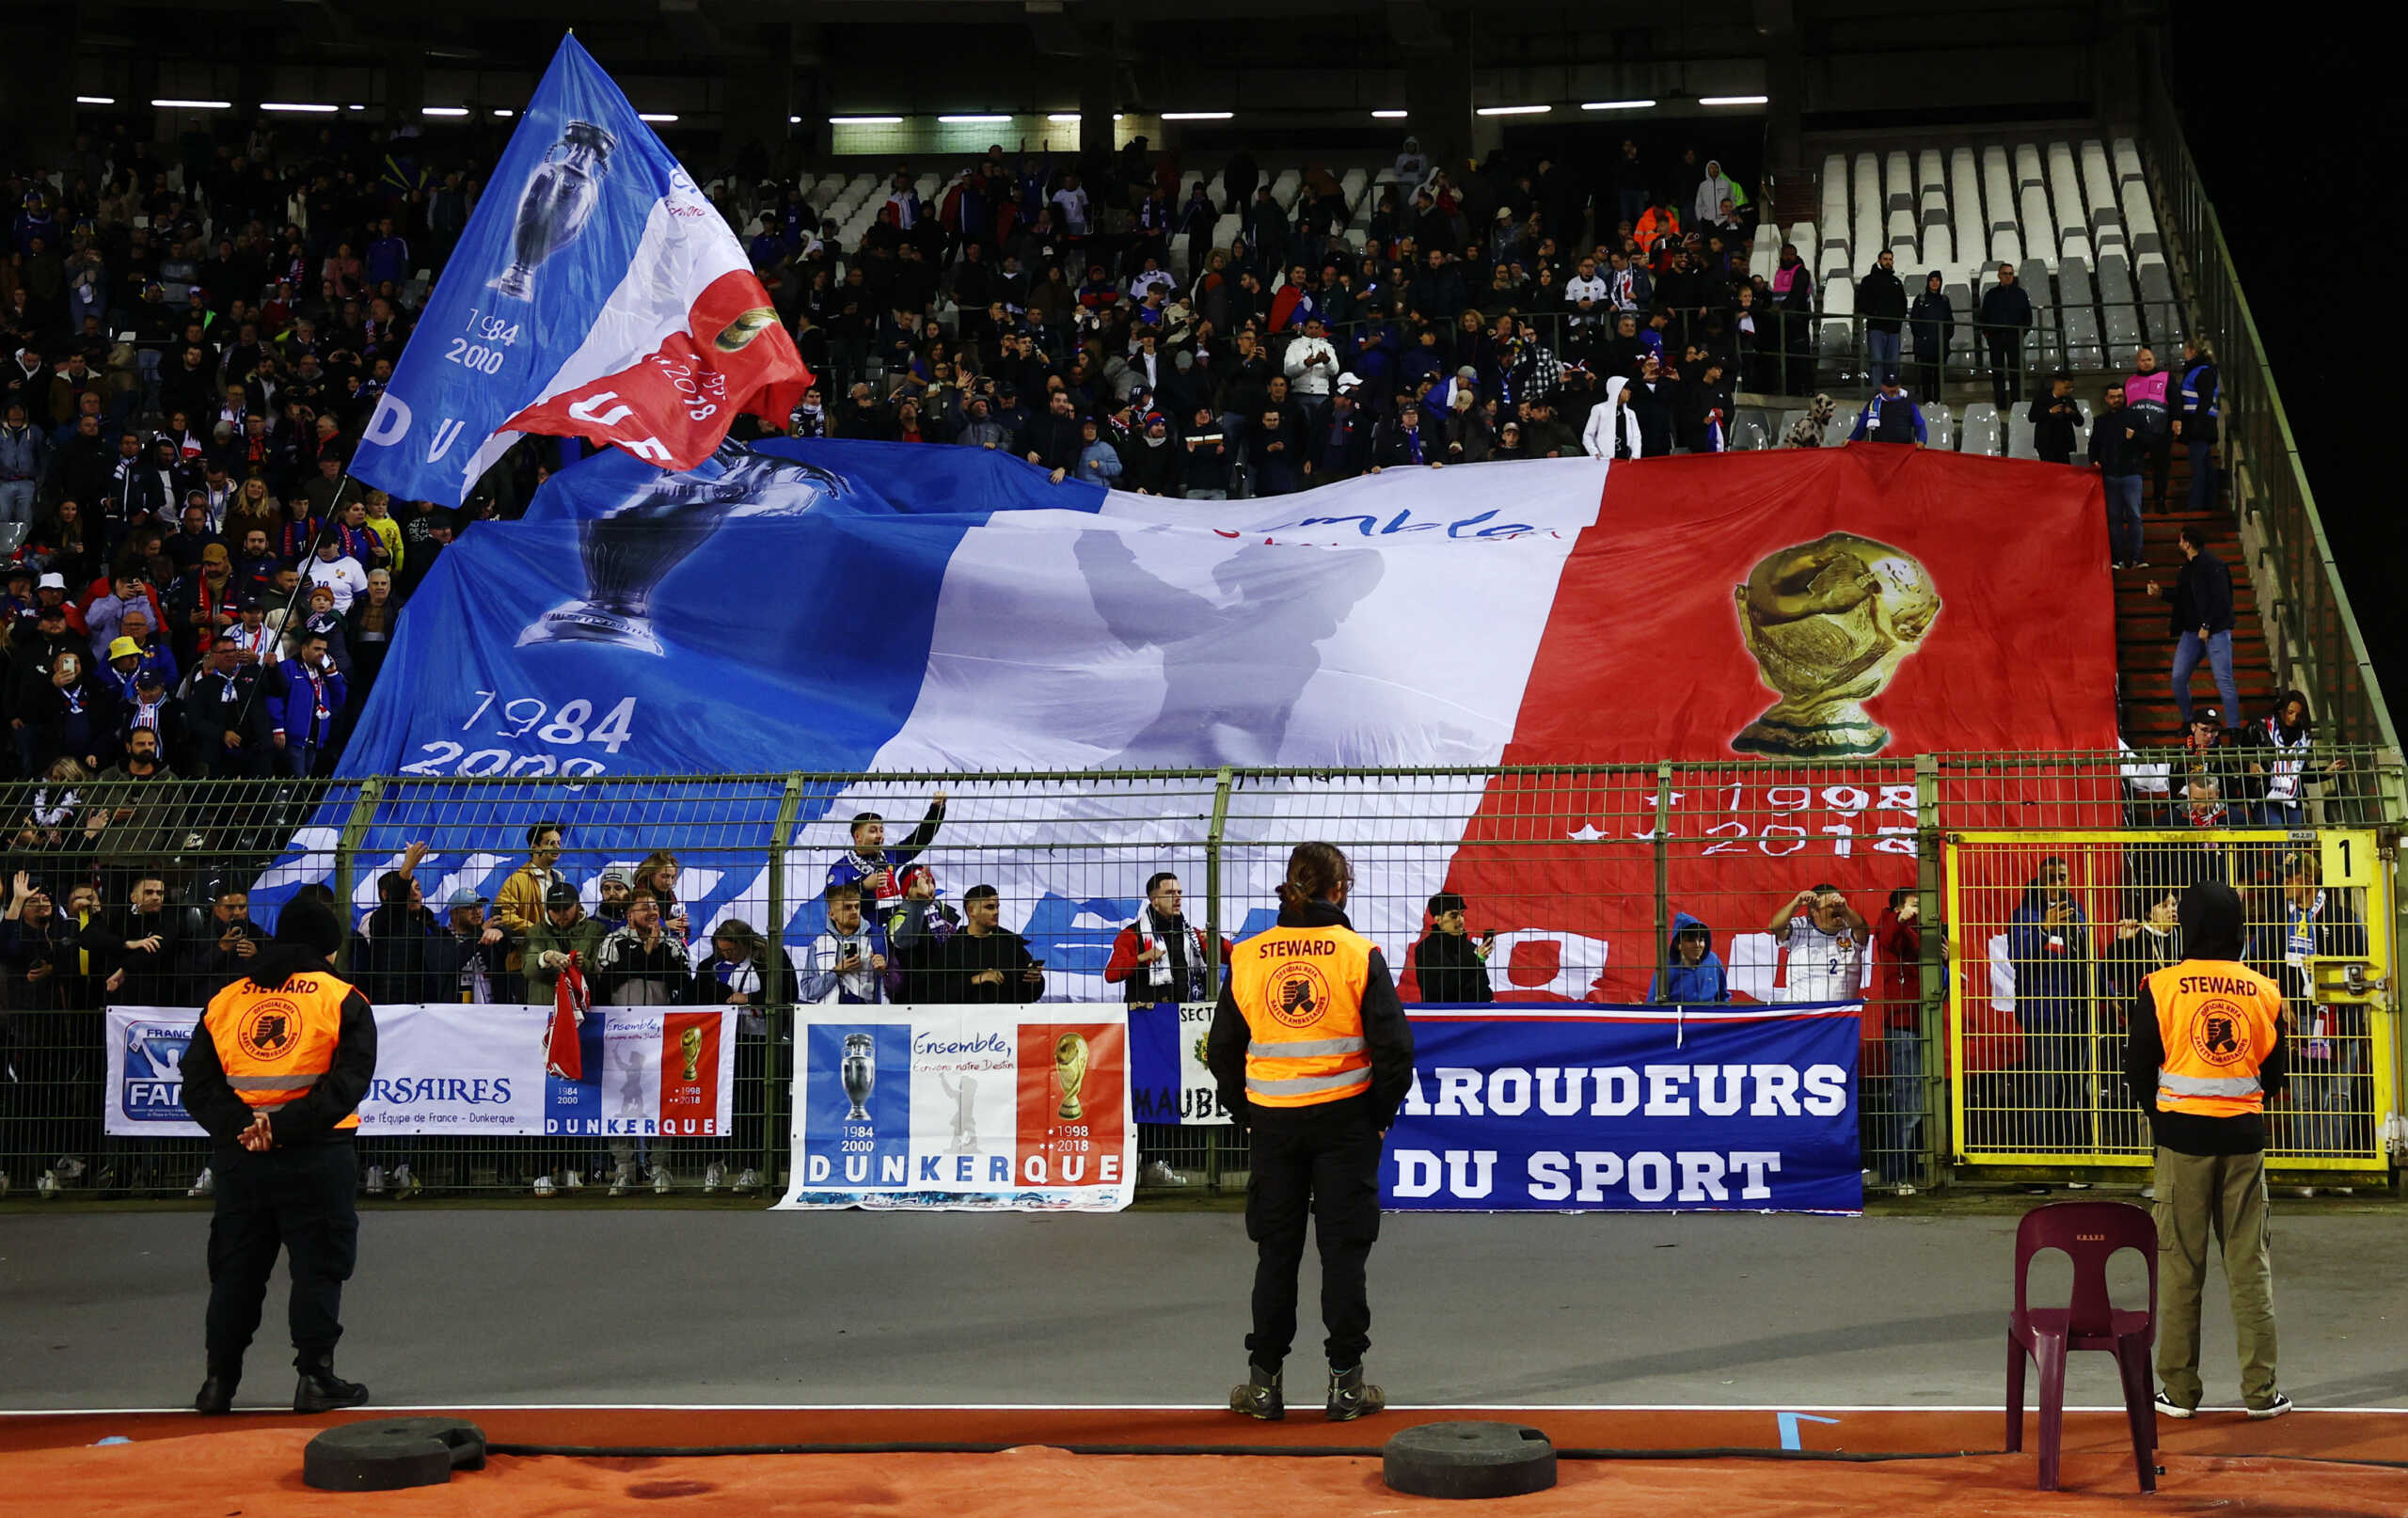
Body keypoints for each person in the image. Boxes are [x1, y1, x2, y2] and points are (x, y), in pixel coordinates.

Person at [1208, 841, 1413, 1423]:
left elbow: (1222, 1049)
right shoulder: (1357, 953)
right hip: (1345, 1123)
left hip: (1273, 1124)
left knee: (1276, 1253)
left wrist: (1249, 1111)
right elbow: (1396, 1050)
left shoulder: (1248, 956)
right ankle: (1346, 1387)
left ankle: (1263, 1387)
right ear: (1339, 888)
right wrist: (1378, 1117)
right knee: (1343, 1254)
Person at [178, 896, 376, 1416]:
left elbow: (197, 1085)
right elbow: (346, 1086)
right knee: (319, 1267)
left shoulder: (228, 998)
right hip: (317, 1153)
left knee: (236, 1270)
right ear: (330, 945)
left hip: (240, 1157)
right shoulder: (342, 998)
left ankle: (218, 1382)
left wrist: (245, 1127)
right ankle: (314, 1378)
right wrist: (282, 1128)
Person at [2124, 879, 2290, 1421]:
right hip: (2244, 1142)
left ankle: (2179, 1391)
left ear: (2188, 926)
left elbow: (2138, 1069)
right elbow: (2276, 1073)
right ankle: (2261, 1394)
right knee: (2250, 1267)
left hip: (2180, 1142)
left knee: (2179, 1266)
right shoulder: (2265, 989)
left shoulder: (2163, 986)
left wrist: (2165, 1118)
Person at [2007, 856, 2091, 1158]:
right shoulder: (2024, 914)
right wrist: (2044, 927)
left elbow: (2086, 959)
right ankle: (2038, 1162)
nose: (2057, 884)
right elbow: (2017, 955)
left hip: (2078, 1011)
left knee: (2074, 1088)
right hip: (2042, 1013)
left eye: (2062, 877)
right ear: (2040, 881)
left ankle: (2073, 1158)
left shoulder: (2076, 911)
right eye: (2051, 877)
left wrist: (2107, 996)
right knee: (2043, 1088)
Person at [2146, 526, 2240, 732]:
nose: (2179, 544)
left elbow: (2223, 600)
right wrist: (2161, 593)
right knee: (2178, 678)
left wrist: (2207, 625)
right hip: (2191, 633)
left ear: (2187, 543)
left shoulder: (2213, 565)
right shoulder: (2186, 569)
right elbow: (2182, 598)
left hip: (2215, 631)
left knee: (2224, 681)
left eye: (2180, 540)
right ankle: (2189, 721)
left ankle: (2234, 731)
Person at [1868, 890, 1924, 1192]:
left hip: (1922, 1021)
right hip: (1902, 1024)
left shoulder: (1919, 931)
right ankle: (1895, 1173)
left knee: (1917, 1102)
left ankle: (1908, 1167)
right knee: (1905, 1101)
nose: (1919, 910)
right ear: (1898, 906)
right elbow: (1887, 937)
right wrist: (1901, 919)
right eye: (1914, 904)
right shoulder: (1891, 924)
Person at [1105, 871, 1224, 1005]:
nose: (1178, 897)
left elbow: (1229, 957)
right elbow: (1111, 975)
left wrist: (1217, 942)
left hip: (1189, 1017)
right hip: (1148, 1016)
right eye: (1170, 893)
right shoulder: (1132, 935)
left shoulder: (1192, 935)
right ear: (1155, 901)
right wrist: (1141, 958)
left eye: (1179, 892)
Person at [828, 792, 946, 918]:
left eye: (881, 830)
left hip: (894, 926)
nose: (880, 835)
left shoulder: (890, 855)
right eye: (873, 831)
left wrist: (936, 809)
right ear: (857, 836)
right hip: (863, 930)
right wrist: (863, 886)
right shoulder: (842, 867)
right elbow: (832, 897)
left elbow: (919, 840)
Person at [2241, 690, 2349, 828]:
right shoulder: (2259, 728)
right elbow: (2237, 755)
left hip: (2293, 799)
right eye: (2290, 712)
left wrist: (2325, 772)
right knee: (2279, 841)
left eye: (2298, 714)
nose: (2293, 718)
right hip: (2265, 795)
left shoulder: (2304, 738)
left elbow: (2302, 774)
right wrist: (2250, 764)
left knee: (2294, 842)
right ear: (2281, 710)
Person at [932, 883, 1044, 1004]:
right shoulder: (952, 947)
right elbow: (937, 993)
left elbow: (1029, 996)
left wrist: (1035, 981)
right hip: (965, 1019)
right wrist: (976, 979)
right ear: (971, 911)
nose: (996, 912)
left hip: (1007, 1018)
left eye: (997, 907)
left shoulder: (1011, 944)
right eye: (990, 907)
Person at [800, 881, 895, 1004]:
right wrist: (836, 972)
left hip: (869, 1017)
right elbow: (808, 991)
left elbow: (898, 985)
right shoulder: (819, 944)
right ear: (832, 915)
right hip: (829, 1019)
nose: (854, 911)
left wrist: (885, 971)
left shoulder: (879, 938)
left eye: (857, 906)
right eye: (847, 907)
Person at [1769, 884, 1865, 1003]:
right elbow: (1775, 926)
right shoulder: (1800, 927)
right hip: (1800, 1013)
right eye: (1831, 906)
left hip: (1840, 1016)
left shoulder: (1850, 930)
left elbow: (1862, 928)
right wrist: (1796, 903)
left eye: (1840, 905)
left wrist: (1845, 909)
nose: (1837, 909)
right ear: (1814, 911)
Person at [269, 631, 345, 778]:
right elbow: (275, 697)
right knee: (295, 784)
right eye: (317, 649)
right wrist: (278, 728)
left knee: (305, 784)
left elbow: (339, 700)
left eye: (324, 650)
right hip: (293, 739)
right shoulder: (287, 668)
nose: (322, 653)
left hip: (316, 738)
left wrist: (333, 675)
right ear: (304, 648)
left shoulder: (324, 672)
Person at [2093, 383, 2145, 569]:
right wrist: (2095, 460)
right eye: (2113, 397)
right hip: (2111, 475)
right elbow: (2094, 444)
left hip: (2132, 473)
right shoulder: (2100, 421)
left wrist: (2136, 436)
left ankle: (2137, 558)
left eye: (2120, 396)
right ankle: (2117, 559)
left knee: (2134, 517)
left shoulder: (2135, 417)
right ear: (2106, 399)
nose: (2117, 400)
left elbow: (2150, 441)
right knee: (2114, 519)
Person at [1411, 892, 1495, 1004]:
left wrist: (1489, 1003)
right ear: (1438, 919)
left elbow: (1483, 987)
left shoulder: (1472, 949)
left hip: (1474, 1017)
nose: (1460, 920)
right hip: (1443, 1017)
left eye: (1462, 914)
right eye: (1454, 915)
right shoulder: (1426, 949)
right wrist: (1475, 960)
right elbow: (1440, 991)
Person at [2124, 345, 2174, 510]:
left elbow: (2176, 400)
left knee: (2161, 469)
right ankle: (2134, 503)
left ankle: (2160, 500)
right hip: (2137, 434)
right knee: (2133, 468)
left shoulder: (2166, 377)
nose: (2145, 363)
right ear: (2137, 362)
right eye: (2142, 360)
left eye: (2149, 360)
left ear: (2154, 360)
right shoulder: (2130, 382)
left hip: (2160, 433)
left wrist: (2177, 420)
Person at [1978, 263, 2033, 411]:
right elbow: (1983, 317)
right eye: (2005, 273)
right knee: (1998, 373)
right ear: (1999, 275)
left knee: (2016, 372)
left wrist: (2021, 333)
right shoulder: (1991, 294)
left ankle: (2016, 404)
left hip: (2014, 338)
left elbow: (2028, 318)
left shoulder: (2021, 294)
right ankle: (2001, 405)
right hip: (1996, 339)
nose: (2008, 276)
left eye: (2010, 273)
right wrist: (1989, 335)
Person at [2175, 338, 2220, 514]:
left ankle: (2197, 504)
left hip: (2199, 425)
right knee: (2205, 465)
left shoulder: (2202, 371)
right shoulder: (2200, 370)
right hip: (2201, 424)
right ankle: (2208, 502)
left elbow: (2205, 399)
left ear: (2193, 351)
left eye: (2186, 349)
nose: (2184, 353)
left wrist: (2196, 425)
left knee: (2199, 466)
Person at [1647, 910, 1727, 1005]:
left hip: (1710, 1018)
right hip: (1679, 1018)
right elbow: (1653, 1003)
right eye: (1691, 940)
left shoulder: (1713, 961)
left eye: (1701, 940)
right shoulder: (1666, 969)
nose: (1697, 945)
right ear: (1678, 944)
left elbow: (1723, 997)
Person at [1856, 251, 1907, 387]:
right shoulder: (1868, 280)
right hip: (1876, 328)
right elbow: (1861, 303)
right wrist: (1875, 312)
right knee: (1877, 361)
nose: (1888, 262)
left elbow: (1903, 304)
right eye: (1885, 259)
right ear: (1879, 260)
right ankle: (1878, 393)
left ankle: (1892, 391)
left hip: (1893, 329)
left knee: (1893, 363)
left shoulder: (1897, 282)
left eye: (1890, 259)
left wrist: (1898, 319)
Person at [1907, 271, 1953, 403]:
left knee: (1939, 375)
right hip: (1925, 346)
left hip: (1941, 345)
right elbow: (1914, 321)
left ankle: (1938, 401)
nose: (1934, 283)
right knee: (1926, 375)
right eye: (1932, 280)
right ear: (1928, 282)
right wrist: (1922, 337)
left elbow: (1950, 321)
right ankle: (1927, 402)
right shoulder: (1920, 299)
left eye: (1937, 280)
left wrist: (1946, 336)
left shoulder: (1944, 300)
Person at [1847, 378, 1925, 446]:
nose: (1892, 389)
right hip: (1878, 450)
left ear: (1899, 386)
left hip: (1903, 450)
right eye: (1889, 387)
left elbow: (1920, 425)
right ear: (1883, 387)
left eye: (1895, 386)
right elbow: (1861, 425)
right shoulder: (1874, 403)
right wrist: (1851, 439)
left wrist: (1921, 440)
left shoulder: (1909, 404)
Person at [2028, 372, 2081, 466]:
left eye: (2071, 387)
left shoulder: (2069, 400)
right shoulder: (2042, 397)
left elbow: (2080, 422)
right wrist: (2049, 411)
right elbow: (2032, 417)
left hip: (2063, 445)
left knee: (2065, 472)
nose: (2069, 390)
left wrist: (2072, 413)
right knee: (2050, 472)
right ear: (2057, 384)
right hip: (2046, 444)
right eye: (2067, 387)